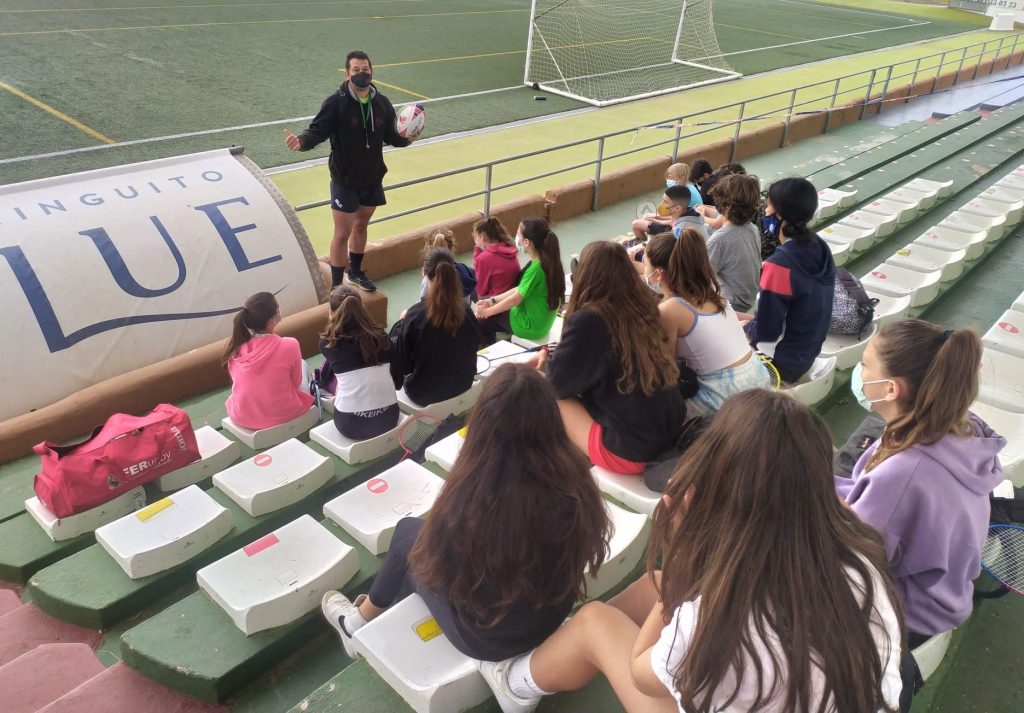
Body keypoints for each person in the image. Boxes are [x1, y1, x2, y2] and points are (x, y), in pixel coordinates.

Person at [478, 390, 904, 713]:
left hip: (716, 666)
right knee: (655, 584)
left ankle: (513, 684)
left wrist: (681, 567)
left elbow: (645, 677)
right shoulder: (860, 557)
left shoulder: (716, 618)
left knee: (595, 621)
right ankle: (563, 651)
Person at [321, 363, 611, 665]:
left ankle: (355, 624)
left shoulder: (471, 497)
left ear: (484, 420)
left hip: (489, 640)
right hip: (549, 619)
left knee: (408, 535)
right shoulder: (577, 477)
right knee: (415, 544)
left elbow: (436, 564)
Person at [837, 320, 1005, 647]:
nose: (860, 373)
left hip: (912, 612)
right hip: (945, 593)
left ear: (891, 389)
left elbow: (854, 558)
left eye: (864, 365)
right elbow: (867, 494)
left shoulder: (903, 473)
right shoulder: (955, 425)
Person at [537, 241, 684, 475]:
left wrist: (542, 367)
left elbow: (556, 384)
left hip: (631, 451)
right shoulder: (645, 308)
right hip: (669, 431)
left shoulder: (589, 319)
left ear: (585, 276)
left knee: (545, 393)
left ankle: (551, 470)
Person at [284, 50, 414, 292]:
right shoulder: (336, 102)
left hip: (372, 176)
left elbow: (392, 136)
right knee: (342, 232)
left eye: (365, 69)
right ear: (347, 73)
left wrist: (407, 138)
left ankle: (355, 272)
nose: (361, 74)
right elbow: (317, 131)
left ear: (372, 72)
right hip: (344, 179)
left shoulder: (382, 103)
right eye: (356, 70)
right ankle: (336, 286)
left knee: (361, 226)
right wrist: (301, 142)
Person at [644, 232, 770, 417]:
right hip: (758, 378)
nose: (644, 269)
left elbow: (666, 366)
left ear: (658, 274)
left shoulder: (670, 310)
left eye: (645, 263)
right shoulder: (710, 292)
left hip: (726, 396)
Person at [743, 176, 836, 383]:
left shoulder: (780, 265)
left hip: (779, 364)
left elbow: (766, 332)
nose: (764, 212)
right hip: (805, 354)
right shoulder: (819, 245)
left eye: (767, 207)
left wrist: (743, 328)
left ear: (781, 214)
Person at [390, 247, 480, 405]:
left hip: (424, 395)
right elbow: (474, 343)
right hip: (463, 385)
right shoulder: (466, 311)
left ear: (424, 272)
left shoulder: (414, 316)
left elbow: (403, 366)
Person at [222, 292, 314, 430]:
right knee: (302, 364)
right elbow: (295, 383)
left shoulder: (234, 349)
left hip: (243, 417)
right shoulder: (289, 345)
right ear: (271, 320)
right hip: (285, 414)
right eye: (277, 311)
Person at [318, 286, 400, 440]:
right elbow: (396, 380)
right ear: (360, 308)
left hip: (350, 425)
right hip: (389, 417)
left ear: (331, 313)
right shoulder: (382, 335)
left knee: (337, 379)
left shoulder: (327, 344)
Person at [475, 218, 564, 346]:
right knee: (491, 313)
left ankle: (489, 353)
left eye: (518, 235)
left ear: (527, 242)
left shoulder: (536, 268)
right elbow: (519, 288)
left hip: (530, 326)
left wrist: (486, 312)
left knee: (482, 321)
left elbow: (515, 299)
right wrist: (491, 301)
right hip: (541, 322)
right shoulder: (546, 261)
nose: (516, 237)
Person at [702, 174, 762, 314]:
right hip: (749, 296)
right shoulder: (751, 228)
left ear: (727, 206)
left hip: (733, 303)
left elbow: (701, 277)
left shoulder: (719, 240)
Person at [630, 163, 702, 241]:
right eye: (667, 178)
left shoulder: (681, 196)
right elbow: (678, 215)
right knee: (648, 217)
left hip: (677, 229)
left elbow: (673, 221)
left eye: (671, 178)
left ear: (681, 179)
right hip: (683, 223)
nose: (668, 181)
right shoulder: (689, 187)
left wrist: (656, 218)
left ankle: (644, 244)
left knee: (636, 225)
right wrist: (655, 216)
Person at [417, 228, 476, 304]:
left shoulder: (427, 281)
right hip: (463, 314)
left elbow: (423, 307)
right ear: (452, 247)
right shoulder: (466, 272)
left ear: (429, 249)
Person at [472, 216, 520, 300]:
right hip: (512, 297)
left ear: (482, 237)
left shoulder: (484, 258)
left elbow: (481, 290)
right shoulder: (509, 248)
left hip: (498, 303)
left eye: (475, 237)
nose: (475, 240)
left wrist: (477, 250)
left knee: (468, 283)